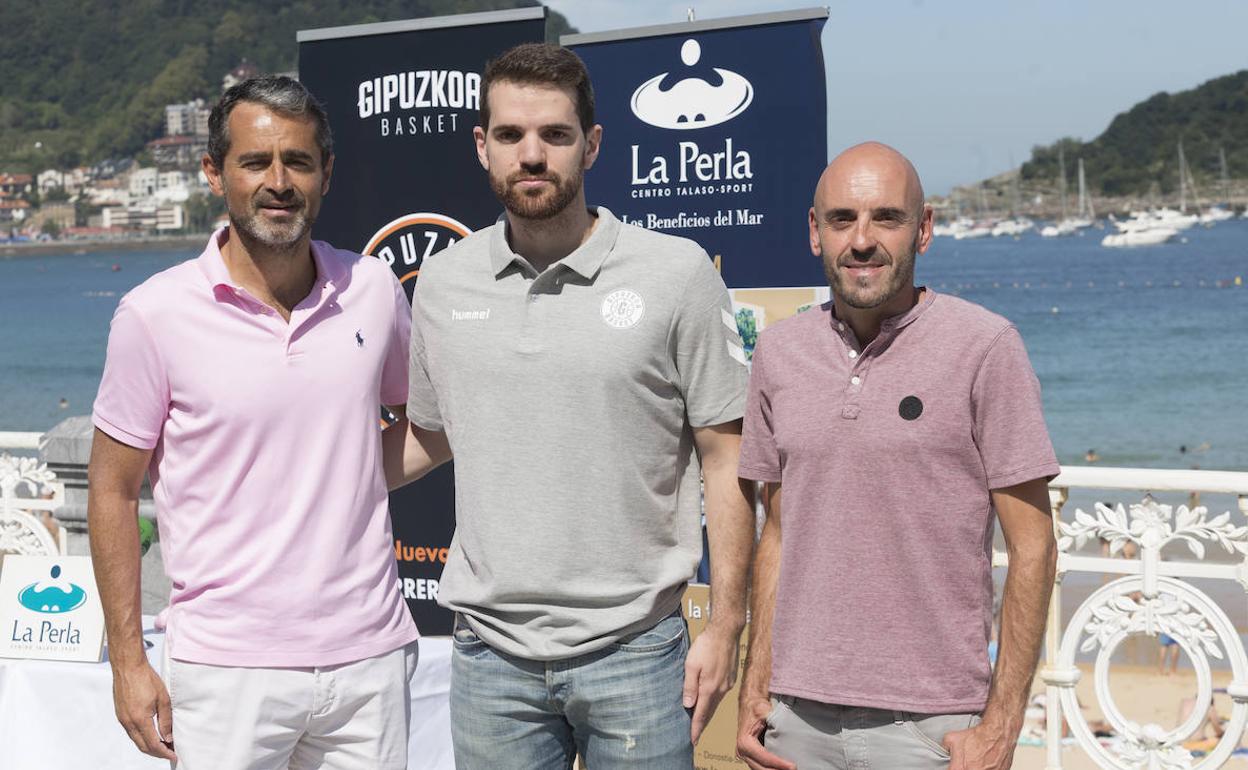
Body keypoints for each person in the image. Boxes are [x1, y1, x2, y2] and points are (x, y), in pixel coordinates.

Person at [392, 43, 754, 768]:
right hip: (489, 657)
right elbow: (430, 434)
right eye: (510, 135)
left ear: (591, 145)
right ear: (482, 147)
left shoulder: (676, 272)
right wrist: (293, 473)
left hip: (638, 650)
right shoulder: (443, 281)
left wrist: (725, 627)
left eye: (555, 135)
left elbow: (728, 458)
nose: (532, 155)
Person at [88, 76, 427, 769]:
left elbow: (419, 424)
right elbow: (112, 491)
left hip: (369, 659)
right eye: (255, 162)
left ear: (326, 173)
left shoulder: (373, 290)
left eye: (298, 161)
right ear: (215, 173)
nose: (279, 182)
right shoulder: (154, 315)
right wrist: (128, 662)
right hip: (226, 668)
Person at [734, 142, 1060, 770]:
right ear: (814, 232)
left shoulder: (985, 346)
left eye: (886, 218)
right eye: (842, 220)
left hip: (932, 727)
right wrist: (757, 681)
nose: (862, 240)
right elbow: (778, 530)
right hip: (795, 721)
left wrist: (1002, 723)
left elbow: (1034, 546)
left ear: (924, 229)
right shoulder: (778, 352)